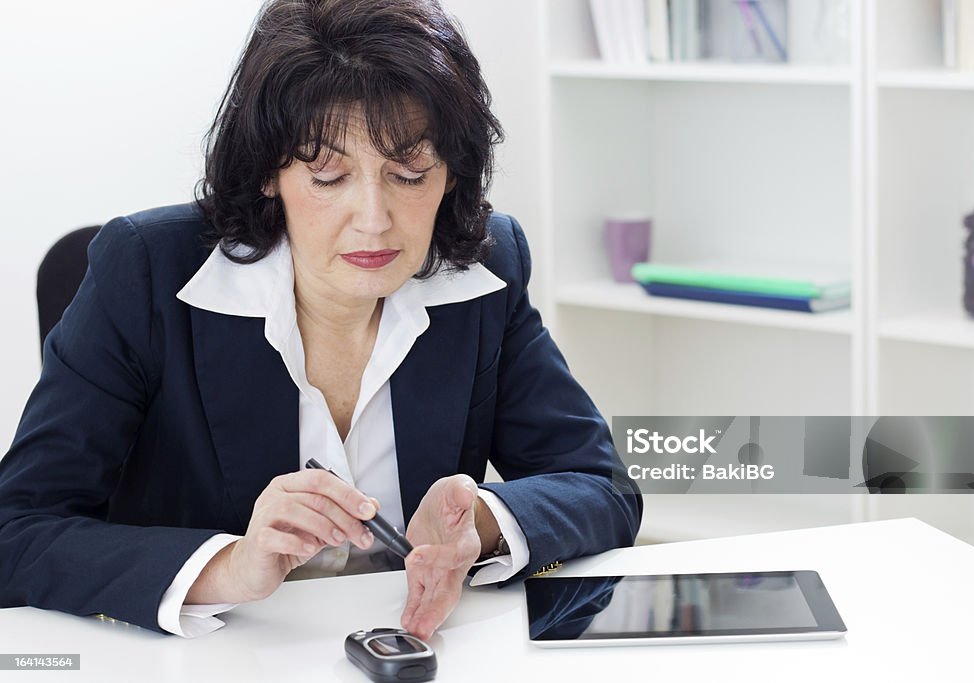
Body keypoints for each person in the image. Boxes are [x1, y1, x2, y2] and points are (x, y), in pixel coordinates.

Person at [0, 0, 641, 639]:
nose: (373, 218)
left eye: (410, 173)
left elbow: (601, 487)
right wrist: (230, 566)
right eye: (329, 175)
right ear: (268, 175)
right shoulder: (146, 271)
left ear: (451, 176)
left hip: (418, 651)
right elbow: (18, 529)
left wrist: (477, 525)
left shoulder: (484, 271)